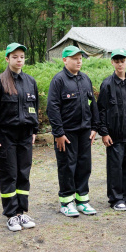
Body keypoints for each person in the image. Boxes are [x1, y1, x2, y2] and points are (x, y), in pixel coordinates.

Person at [0, 43, 39, 232]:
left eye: (22, 57)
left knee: (23, 173)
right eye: (15, 56)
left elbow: (35, 107)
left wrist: (34, 130)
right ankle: (11, 214)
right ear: (7, 59)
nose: (19, 60)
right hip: (5, 136)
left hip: (25, 135)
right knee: (9, 174)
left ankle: (22, 212)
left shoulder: (30, 82)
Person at [46, 46, 98, 217]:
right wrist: (58, 133)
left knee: (84, 165)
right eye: (74, 58)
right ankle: (67, 202)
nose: (78, 61)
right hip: (67, 133)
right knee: (68, 166)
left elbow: (92, 104)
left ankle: (82, 200)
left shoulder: (85, 79)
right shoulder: (59, 80)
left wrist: (94, 127)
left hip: (84, 132)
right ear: (64, 60)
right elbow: (52, 108)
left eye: (80, 58)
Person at [96, 49, 126, 211]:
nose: (120, 63)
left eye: (122, 60)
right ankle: (116, 199)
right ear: (112, 63)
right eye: (116, 61)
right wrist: (104, 132)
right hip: (113, 135)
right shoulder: (107, 84)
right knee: (115, 167)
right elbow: (101, 109)